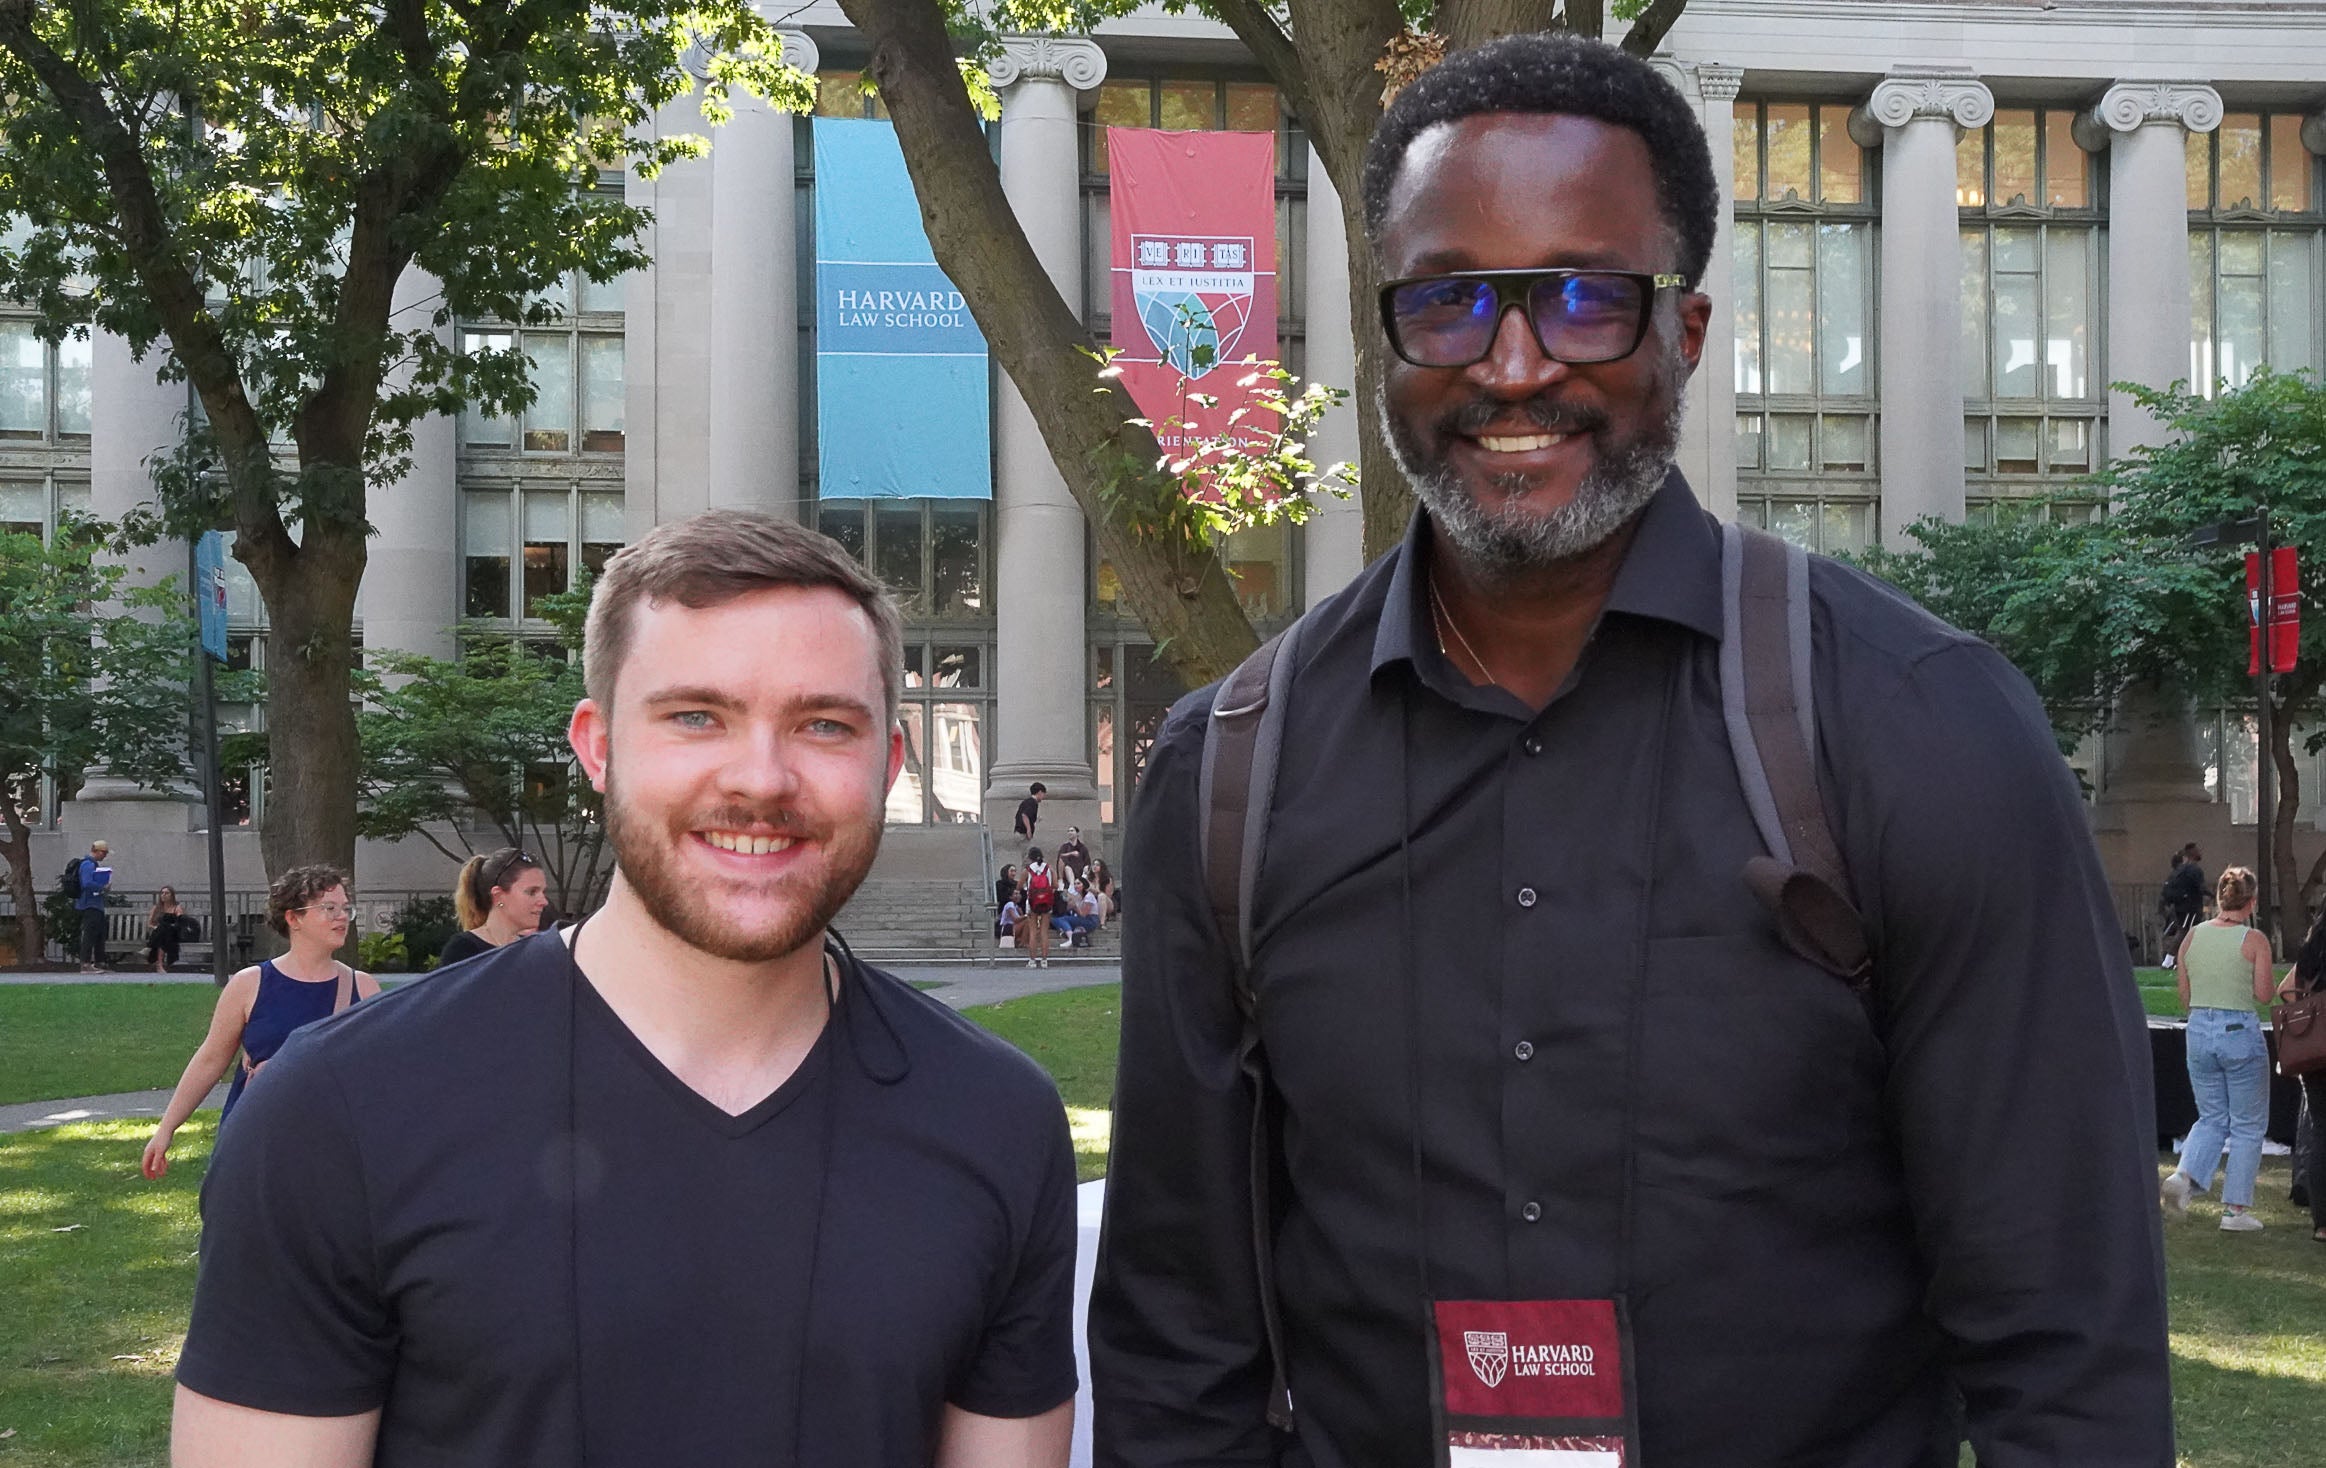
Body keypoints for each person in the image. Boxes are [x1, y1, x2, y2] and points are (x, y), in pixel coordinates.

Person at [1091, 35, 2170, 1468]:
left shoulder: (1920, 727)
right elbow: (1179, 1346)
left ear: (1690, 331)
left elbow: (2064, 1349)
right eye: (1451, 300)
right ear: (1386, 329)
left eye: (1587, 298)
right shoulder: (1229, 774)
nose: (1514, 365)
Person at [171, 510, 1077, 1468]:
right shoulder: (334, 1116)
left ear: (886, 766)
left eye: (822, 724)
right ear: (597, 748)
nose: (761, 779)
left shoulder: (997, 1123)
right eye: (696, 715)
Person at [140, 865, 378, 1177]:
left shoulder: (363, 988)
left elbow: (377, 1080)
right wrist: (166, 1129)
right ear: (293, 919)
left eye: (346, 908)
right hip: (255, 1143)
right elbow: (210, 1060)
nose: (341, 916)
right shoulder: (251, 983)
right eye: (328, 908)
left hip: (329, 1152)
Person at [2158, 867, 2281, 1232]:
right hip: (2238, 1029)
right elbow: (2263, 995)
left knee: (2211, 1116)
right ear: (2252, 902)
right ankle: (2234, 1210)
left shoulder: (2192, 937)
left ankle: (2184, 1177)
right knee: (2247, 1124)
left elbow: (2184, 996)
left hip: (2198, 1028)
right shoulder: (2254, 939)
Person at [2281, 904, 2326, 1244]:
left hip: (2316, 1049)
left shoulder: (2312, 949)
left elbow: (2286, 988)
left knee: (2320, 1134)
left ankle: (2322, 1223)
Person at [435, 847, 550, 967]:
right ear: (498, 896)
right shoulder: (463, 951)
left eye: (543, 892)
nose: (544, 901)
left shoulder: (535, 950)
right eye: (532, 892)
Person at [2159, 844, 2207, 966]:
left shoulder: (2179, 870)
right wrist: (2212, 895)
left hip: (2180, 906)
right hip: (2190, 907)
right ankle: (2168, 961)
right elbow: (2200, 887)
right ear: (2192, 854)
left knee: (2189, 932)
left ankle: (2179, 960)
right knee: (2184, 931)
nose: (2200, 852)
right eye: (2197, 851)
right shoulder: (2194, 870)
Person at [70, 838, 113, 973]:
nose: (105, 856)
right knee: (89, 934)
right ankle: (85, 964)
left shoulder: (93, 865)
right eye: (104, 853)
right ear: (98, 852)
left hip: (96, 904)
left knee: (99, 934)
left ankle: (99, 962)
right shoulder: (88, 865)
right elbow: (87, 883)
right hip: (89, 904)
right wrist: (102, 887)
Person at [1020, 848, 1057, 970]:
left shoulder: (1028, 870)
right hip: (1046, 901)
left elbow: (1019, 885)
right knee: (1044, 931)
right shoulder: (1049, 868)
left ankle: (1032, 960)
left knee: (1033, 931)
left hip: (1032, 902)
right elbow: (1055, 885)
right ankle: (1044, 960)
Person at [144, 886, 189, 973]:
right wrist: (156, 927)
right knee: (162, 932)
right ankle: (159, 965)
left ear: (172, 895)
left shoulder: (177, 908)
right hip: (161, 934)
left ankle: (149, 948)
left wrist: (163, 927)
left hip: (173, 933)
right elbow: (150, 924)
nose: (163, 895)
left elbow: (180, 923)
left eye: (167, 893)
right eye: (162, 893)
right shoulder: (156, 908)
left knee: (165, 928)